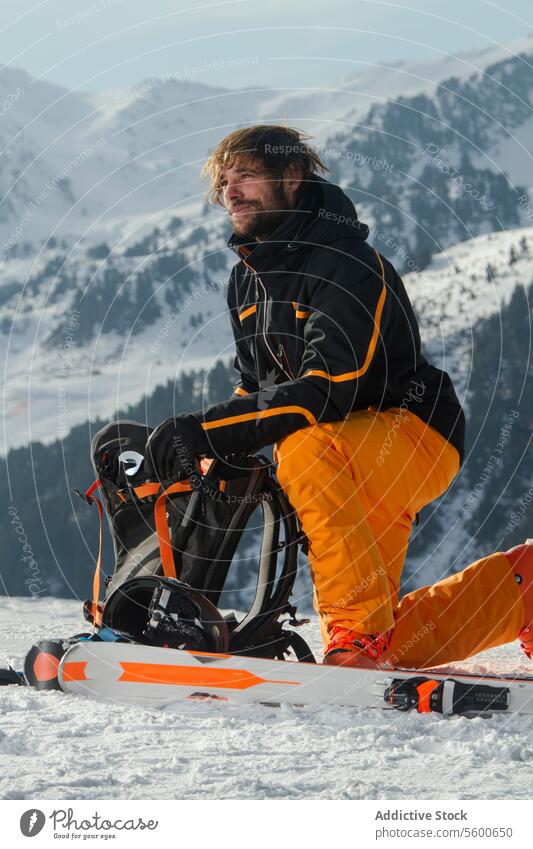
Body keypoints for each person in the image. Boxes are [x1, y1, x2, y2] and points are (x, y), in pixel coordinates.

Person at [146, 124, 533, 669]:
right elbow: (255, 388)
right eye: (225, 181)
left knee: (303, 445)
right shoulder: (246, 281)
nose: (231, 192)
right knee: (394, 647)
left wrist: (211, 427)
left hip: (409, 436)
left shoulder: (345, 263)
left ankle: (358, 637)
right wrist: (214, 448)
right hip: (342, 456)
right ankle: (524, 588)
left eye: (247, 176)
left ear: (293, 176)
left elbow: (328, 387)